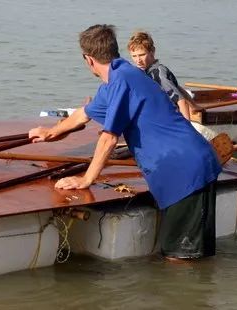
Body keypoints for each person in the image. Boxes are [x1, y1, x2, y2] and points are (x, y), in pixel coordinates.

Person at [28, 24, 223, 260]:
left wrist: (87, 179)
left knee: (180, 258)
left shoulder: (121, 81)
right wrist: (50, 132)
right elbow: (84, 114)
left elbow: (109, 138)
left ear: (88, 59)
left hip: (186, 170)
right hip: (182, 168)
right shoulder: (119, 77)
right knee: (187, 255)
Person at [127, 30, 194, 119]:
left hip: (170, 118)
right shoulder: (146, 71)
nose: (138, 60)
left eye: (142, 55)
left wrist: (188, 128)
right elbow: (177, 88)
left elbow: (181, 101)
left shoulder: (158, 73)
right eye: (134, 56)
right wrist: (194, 105)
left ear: (152, 51)